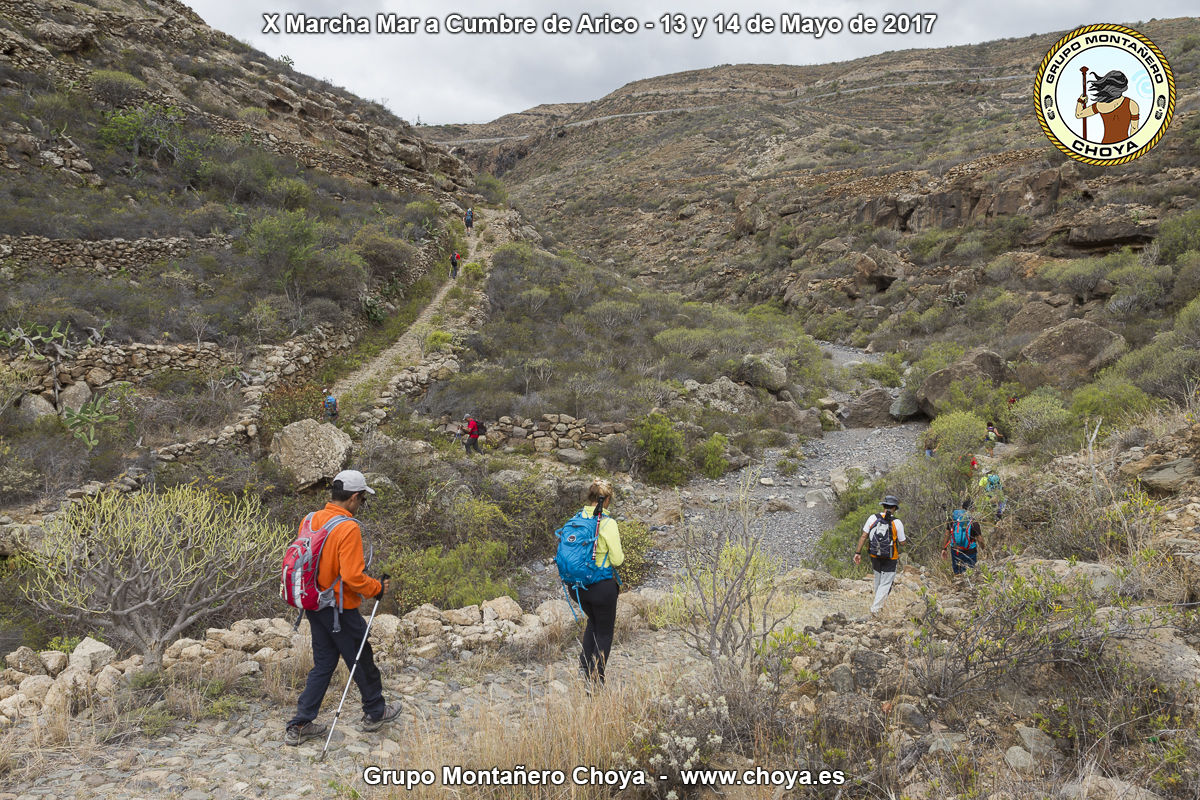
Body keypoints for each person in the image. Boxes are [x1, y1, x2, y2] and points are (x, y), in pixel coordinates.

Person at [286, 470, 400, 745]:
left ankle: (300, 724)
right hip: (339, 608)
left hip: (313, 603)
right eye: (362, 499)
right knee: (362, 658)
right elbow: (352, 577)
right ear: (354, 497)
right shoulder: (348, 527)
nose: (362, 505)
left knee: (324, 664)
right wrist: (377, 589)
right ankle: (375, 712)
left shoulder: (311, 518)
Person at [575, 479, 623, 687]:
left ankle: (584, 668)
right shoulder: (607, 523)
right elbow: (618, 559)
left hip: (578, 586)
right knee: (604, 632)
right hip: (601, 586)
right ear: (607, 500)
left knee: (593, 622)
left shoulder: (578, 518)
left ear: (590, 497)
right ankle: (596, 681)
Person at [853, 495, 906, 615]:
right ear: (894, 508)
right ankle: (875, 609)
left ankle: (877, 607)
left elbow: (863, 536)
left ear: (883, 506)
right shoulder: (897, 522)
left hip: (874, 555)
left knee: (878, 579)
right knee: (886, 583)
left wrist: (858, 552)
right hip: (891, 557)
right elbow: (902, 542)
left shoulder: (873, 518)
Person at [1075, 70, 1139, 144]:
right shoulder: (1132, 104)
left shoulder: (1100, 105)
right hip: (1124, 146)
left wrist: (1080, 101)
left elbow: (1079, 114)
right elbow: (1134, 129)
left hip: (1105, 145)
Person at [941, 499, 981, 576]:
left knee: (958, 574)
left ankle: (958, 585)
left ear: (962, 507)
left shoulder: (953, 519)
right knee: (971, 574)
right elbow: (980, 539)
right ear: (972, 509)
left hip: (956, 550)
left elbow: (947, 534)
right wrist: (984, 548)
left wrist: (944, 548)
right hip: (970, 552)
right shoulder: (973, 522)